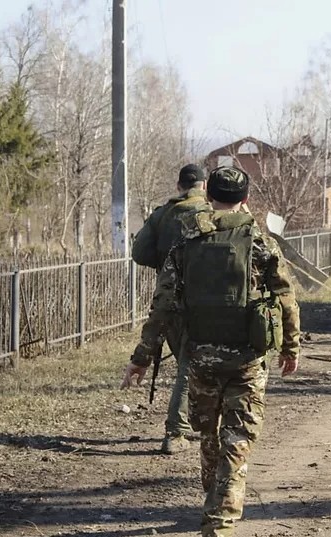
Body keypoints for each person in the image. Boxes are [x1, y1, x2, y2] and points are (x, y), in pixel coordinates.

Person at [121, 166, 301, 537]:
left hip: (200, 357)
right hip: (248, 359)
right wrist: (290, 347)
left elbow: (163, 305)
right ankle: (220, 519)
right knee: (237, 440)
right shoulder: (260, 241)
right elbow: (286, 298)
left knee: (209, 435)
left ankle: (215, 500)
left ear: (209, 195)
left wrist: (142, 357)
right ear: (246, 198)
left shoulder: (186, 241)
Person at [131, 163, 210, 454]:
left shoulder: (162, 214)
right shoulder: (210, 213)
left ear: (179, 186)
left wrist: (165, 262)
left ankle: (193, 423)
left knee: (187, 364)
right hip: (202, 301)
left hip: (168, 302)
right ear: (203, 186)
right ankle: (176, 431)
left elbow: (140, 253)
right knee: (190, 367)